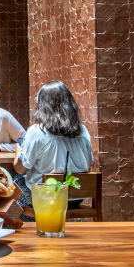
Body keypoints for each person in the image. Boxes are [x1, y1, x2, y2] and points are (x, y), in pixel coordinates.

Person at [13, 80, 93, 209]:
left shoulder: (37, 131)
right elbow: (88, 167)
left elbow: (20, 168)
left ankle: (29, 223)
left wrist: (19, 150)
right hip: (75, 199)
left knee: (12, 180)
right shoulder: (82, 130)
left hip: (46, 197)